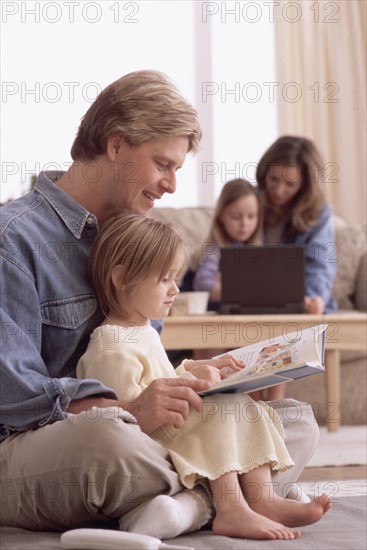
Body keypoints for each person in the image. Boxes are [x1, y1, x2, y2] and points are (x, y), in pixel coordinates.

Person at [0, 70, 319, 537]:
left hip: (137, 439)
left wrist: (199, 383)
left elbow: (147, 366)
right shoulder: (13, 238)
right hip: (46, 442)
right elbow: (13, 396)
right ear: (115, 146)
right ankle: (225, 498)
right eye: (163, 164)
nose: (170, 184)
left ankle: (180, 507)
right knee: (109, 445)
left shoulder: (131, 237)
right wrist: (128, 409)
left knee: (293, 421)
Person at [77, 211, 331, 541]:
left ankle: (261, 498)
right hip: (155, 442)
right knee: (220, 410)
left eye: (175, 278)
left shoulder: (143, 330)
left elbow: (160, 378)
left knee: (239, 401)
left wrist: (196, 371)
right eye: (164, 279)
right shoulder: (111, 344)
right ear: (121, 278)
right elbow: (131, 415)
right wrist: (191, 390)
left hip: (174, 426)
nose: (174, 290)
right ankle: (231, 509)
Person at [256, 135, 337, 315]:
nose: (278, 190)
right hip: (251, 302)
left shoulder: (319, 213)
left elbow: (318, 266)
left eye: (290, 184)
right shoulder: (248, 201)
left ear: (306, 185)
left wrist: (311, 299)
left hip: (297, 304)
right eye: (274, 179)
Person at [193, 178, 262, 306]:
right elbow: (202, 284)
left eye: (251, 216)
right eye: (236, 216)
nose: (244, 224)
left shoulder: (258, 248)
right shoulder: (213, 250)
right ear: (221, 216)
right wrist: (234, 291)